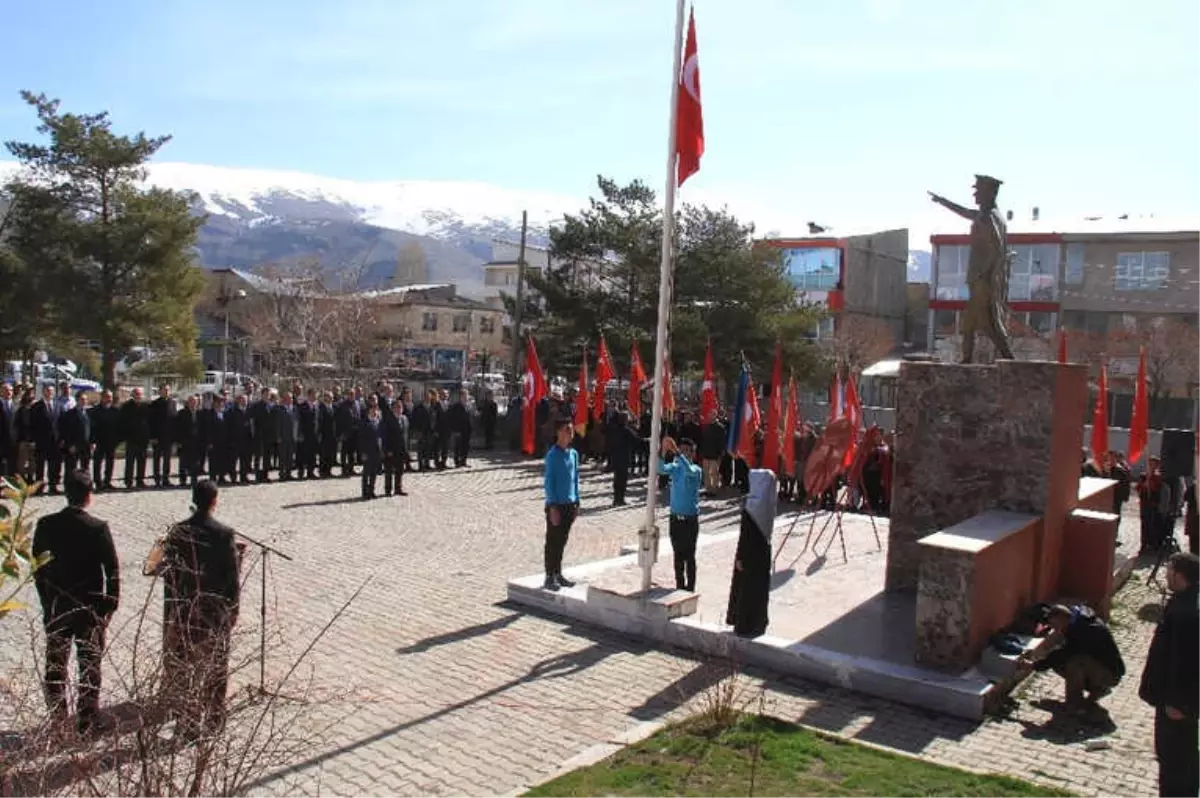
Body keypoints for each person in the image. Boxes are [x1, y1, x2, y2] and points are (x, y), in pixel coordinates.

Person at [32, 470, 120, 733]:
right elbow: (112, 570)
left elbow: (38, 569)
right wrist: (110, 604)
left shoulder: (46, 525)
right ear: (89, 496)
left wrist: (47, 603)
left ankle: (58, 718)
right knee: (89, 664)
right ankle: (87, 718)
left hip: (59, 605)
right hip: (89, 608)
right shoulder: (98, 528)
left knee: (56, 665)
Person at [156, 480, 242, 740]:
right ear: (214, 502)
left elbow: (170, 575)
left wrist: (173, 611)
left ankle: (188, 722)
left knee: (187, 669)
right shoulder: (224, 534)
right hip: (214, 611)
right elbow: (232, 576)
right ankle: (215, 718)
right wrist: (232, 608)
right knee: (216, 667)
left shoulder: (178, 531)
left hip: (185, 610)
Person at [1139, 552, 1200, 797]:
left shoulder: (1188, 614)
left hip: (1176, 703)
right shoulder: (1185, 601)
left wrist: (1179, 703)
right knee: (1183, 755)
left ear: (1179, 574)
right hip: (1175, 699)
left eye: (1169, 570)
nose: (1165, 574)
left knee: (1174, 756)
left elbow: (1185, 663)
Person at [1017, 604, 1125, 711]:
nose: (1054, 629)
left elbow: (1062, 653)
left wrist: (1033, 665)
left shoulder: (1082, 631)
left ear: (1061, 620)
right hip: (1101, 666)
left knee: (1072, 663)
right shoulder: (1078, 619)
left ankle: (1076, 703)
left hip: (1110, 673)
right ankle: (1097, 689)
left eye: (1055, 625)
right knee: (1060, 663)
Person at [659, 436, 704, 592]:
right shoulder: (675, 467)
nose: (683, 454)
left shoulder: (696, 470)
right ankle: (679, 585)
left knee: (689, 556)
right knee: (677, 555)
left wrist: (677, 453)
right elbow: (660, 469)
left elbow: (689, 470)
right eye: (681, 450)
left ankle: (690, 588)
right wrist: (663, 451)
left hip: (690, 520)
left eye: (687, 451)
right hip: (675, 519)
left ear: (693, 454)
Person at [543, 419, 580, 591]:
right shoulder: (553, 455)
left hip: (570, 503)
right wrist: (552, 506)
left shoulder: (573, 454)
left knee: (562, 541)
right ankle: (549, 575)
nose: (570, 433)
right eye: (567, 430)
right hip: (556, 505)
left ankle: (558, 573)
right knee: (553, 541)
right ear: (558, 432)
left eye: (571, 430)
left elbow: (575, 479)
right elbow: (549, 482)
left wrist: (577, 500)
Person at [120, 386, 151, 489]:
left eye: (140, 394)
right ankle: (128, 481)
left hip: (143, 438)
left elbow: (150, 422)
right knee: (130, 462)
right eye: (136, 394)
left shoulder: (146, 406)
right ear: (132, 395)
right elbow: (122, 422)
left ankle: (140, 480)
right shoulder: (126, 406)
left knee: (142, 461)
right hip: (131, 438)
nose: (138, 396)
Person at [609, 412, 639, 507]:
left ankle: (615, 499)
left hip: (615, 457)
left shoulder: (614, 430)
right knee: (622, 480)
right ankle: (620, 499)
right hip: (624, 458)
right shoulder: (626, 430)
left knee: (617, 479)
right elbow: (636, 440)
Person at [148, 384, 176, 488]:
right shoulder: (154, 404)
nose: (167, 392)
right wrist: (152, 436)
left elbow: (174, 420)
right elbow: (151, 421)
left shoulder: (172, 403)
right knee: (157, 458)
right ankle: (157, 479)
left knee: (167, 459)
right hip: (158, 437)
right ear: (160, 392)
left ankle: (166, 478)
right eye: (165, 390)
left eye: (168, 390)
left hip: (168, 437)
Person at [59, 391, 91, 476]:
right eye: (82, 399)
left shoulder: (88, 413)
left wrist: (92, 442)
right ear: (77, 400)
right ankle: (70, 486)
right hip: (74, 445)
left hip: (86, 445)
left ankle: (84, 486)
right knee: (71, 467)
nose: (84, 401)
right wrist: (69, 444)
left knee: (85, 467)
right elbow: (66, 431)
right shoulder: (70, 414)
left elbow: (90, 428)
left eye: (86, 399)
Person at [383, 397, 409, 497]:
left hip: (401, 449)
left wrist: (406, 449)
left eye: (400, 407)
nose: (399, 409)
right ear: (392, 408)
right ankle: (388, 490)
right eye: (397, 407)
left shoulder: (404, 419)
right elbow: (386, 435)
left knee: (400, 470)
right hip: (391, 449)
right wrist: (388, 449)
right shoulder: (388, 420)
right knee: (389, 471)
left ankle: (398, 488)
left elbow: (406, 435)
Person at [358, 404, 384, 499]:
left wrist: (381, 450)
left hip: (376, 450)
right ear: (368, 411)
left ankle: (372, 490)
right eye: (372, 410)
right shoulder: (364, 423)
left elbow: (380, 437)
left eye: (376, 410)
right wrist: (363, 452)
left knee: (374, 473)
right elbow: (361, 439)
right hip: (367, 451)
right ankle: (365, 492)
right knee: (366, 473)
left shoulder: (378, 422)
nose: (374, 412)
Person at [448, 389, 472, 467]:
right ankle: (457, 462)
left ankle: (463, 461)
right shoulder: (456, 406)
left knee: (465, 446)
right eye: (464, 396)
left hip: (467, 429)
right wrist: (455, 430)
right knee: (458, 447)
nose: (465, 397)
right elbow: (453, 419)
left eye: (466, 396)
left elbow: (470, 418)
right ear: (460, 397)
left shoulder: (468, 406)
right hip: (459, 430)